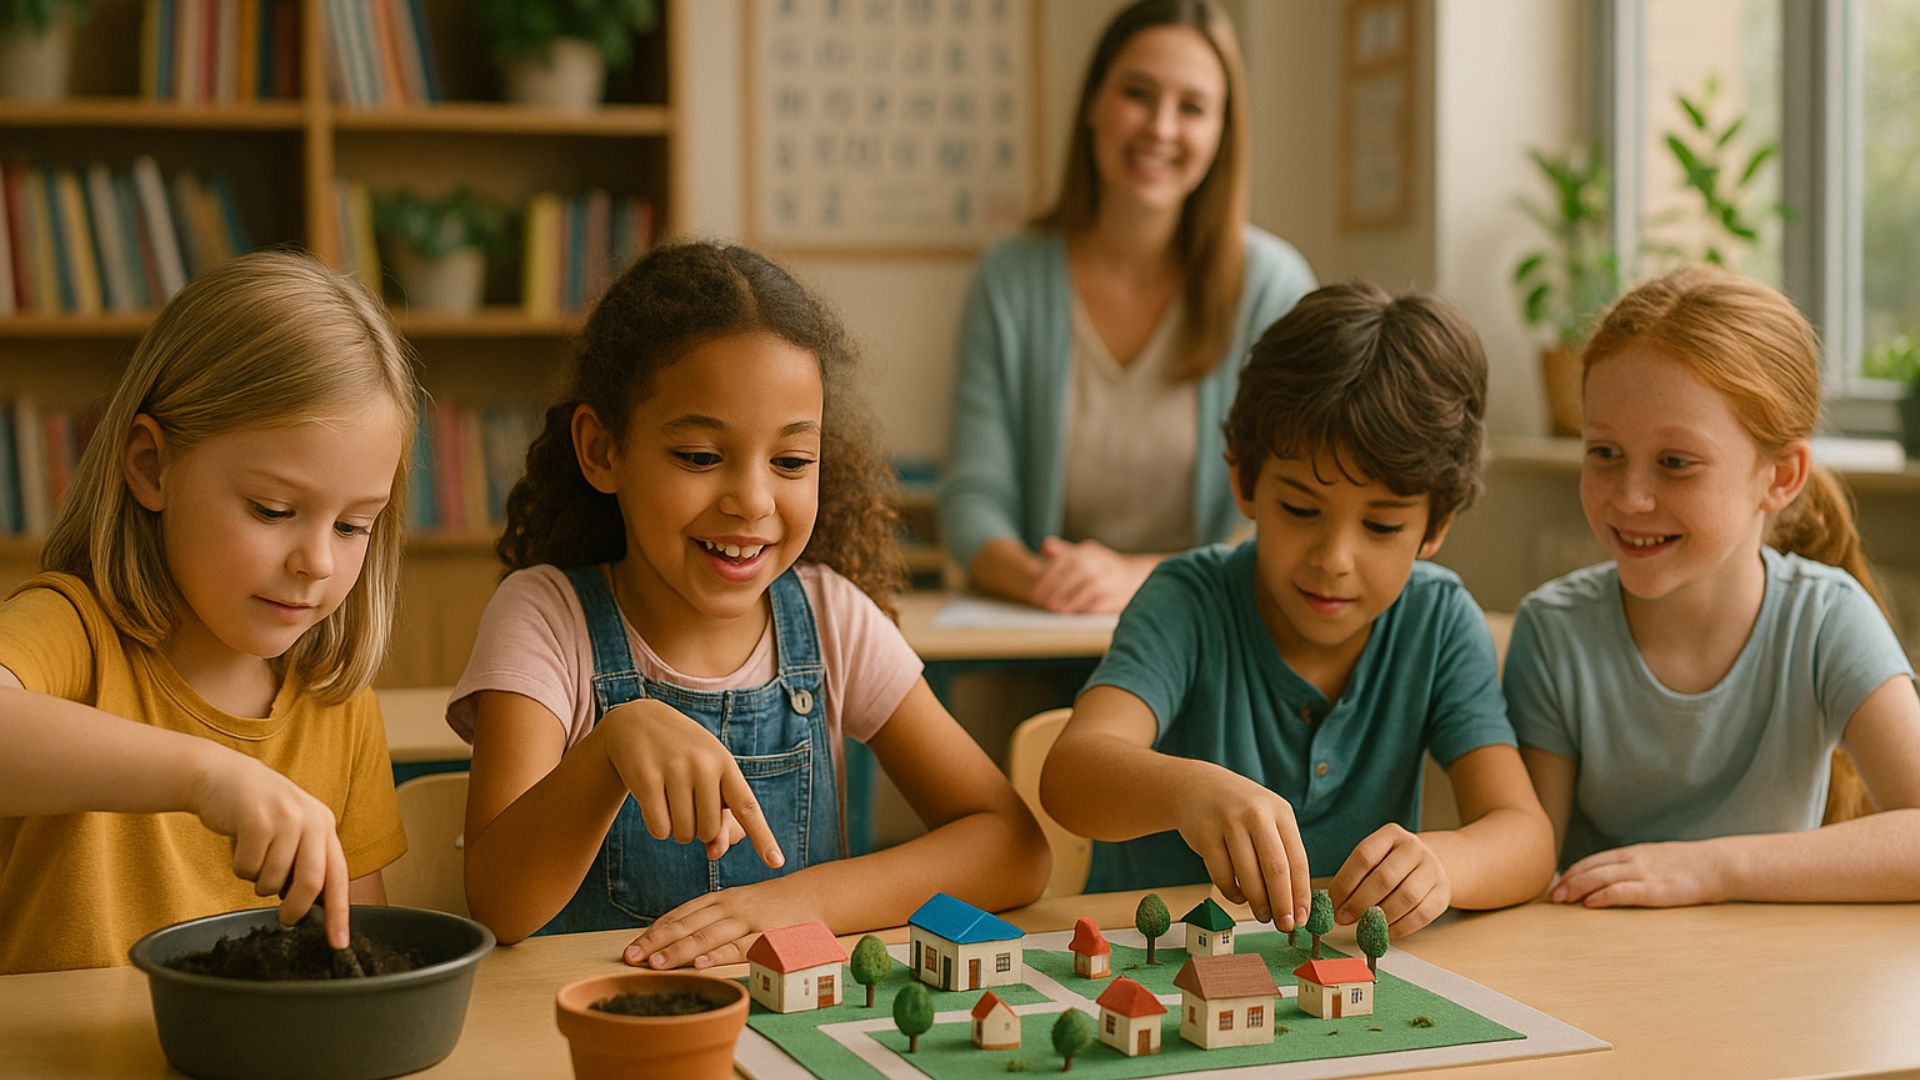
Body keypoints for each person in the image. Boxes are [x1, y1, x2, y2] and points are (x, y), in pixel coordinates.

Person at [454, 241, 1050, 969]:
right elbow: (499, 903)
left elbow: (1015, 847)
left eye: (792, 461)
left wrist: (801, 903)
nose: (753, 501)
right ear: (602, 450)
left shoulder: (832, 619)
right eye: (701, 457)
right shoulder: (546, 618)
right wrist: (611, 747)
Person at [1040, 283, 1554, 937]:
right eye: (1301, 510)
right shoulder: (1188, 602)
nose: (1334, 558)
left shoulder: (1440, 621)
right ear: (1245, 481)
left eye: (1383, 526)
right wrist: (1190, 791)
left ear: (1436, 525)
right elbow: (1071, 773)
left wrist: (1446, 862)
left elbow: (1527, 839)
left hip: (1330, 980)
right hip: (1151, 962)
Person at [0, 252, 416, 973]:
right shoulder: (73, 631)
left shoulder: (337, 703)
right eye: (273, 509)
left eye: (353, 526)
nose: (316, 561)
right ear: (151, 467)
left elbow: (354, 954)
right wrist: (209, 776)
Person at [1506, 266, 1920, 907]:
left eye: (1675, 463)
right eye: (1604, 453)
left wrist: (1709, 869)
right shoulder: (1554, 631)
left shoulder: (1826, 621)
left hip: (1772, 982)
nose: (1631, 497)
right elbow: (1525, 862)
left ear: (1782, 476)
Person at [941, 0, 1316, 614]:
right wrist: (1054, 582)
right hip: (1038, 632)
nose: (1161, 128)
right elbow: (973, 501)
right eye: (1138, 93)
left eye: (1192, 107)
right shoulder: (1008, 278)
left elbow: (1295, 511)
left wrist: (1143, 578)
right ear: (1094, 103)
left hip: (1212, 637)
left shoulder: (1274, 287)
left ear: (1222, 131)